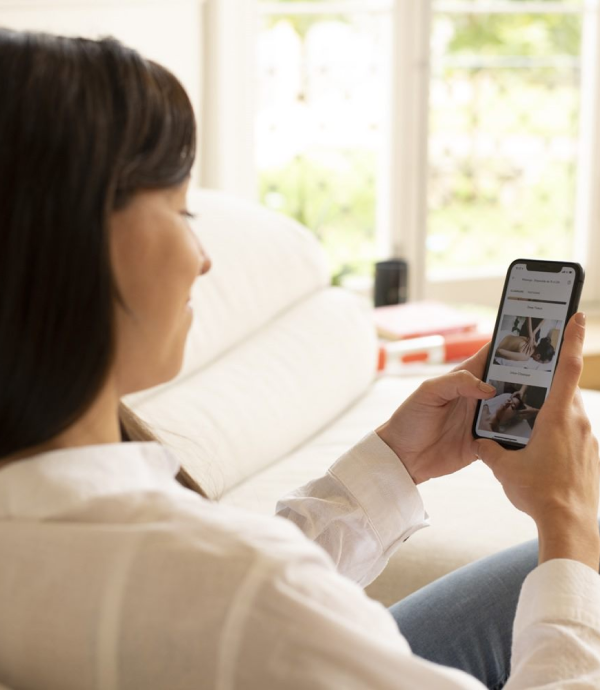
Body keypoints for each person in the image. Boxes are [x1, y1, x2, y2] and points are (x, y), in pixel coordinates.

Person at [0, 28, 599, 690]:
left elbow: (215, 609)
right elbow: (239, 604)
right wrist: (569, 519)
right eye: (179, 207)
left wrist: (397, 463)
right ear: (69, 241)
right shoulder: (248, 593)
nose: (203, 257)